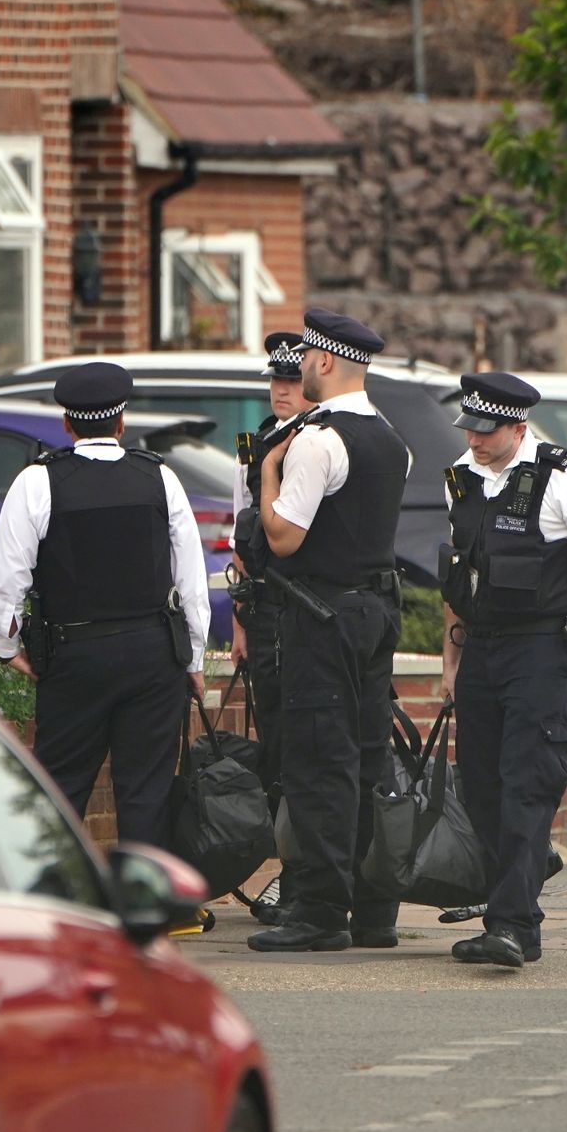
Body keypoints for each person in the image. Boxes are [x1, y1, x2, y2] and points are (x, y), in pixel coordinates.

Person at [441, 373, 567, 969]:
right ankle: (525, 888)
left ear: (517, 426)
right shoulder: (463, 475)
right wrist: (453, 658)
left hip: (540, 651)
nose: (474, 441)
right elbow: (460, 574)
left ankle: (509, 926)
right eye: (470, 429)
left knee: (527, 783)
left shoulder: (566, 477)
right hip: (480, 648)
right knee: (480, 783)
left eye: (486, 431)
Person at [0, 362, 210, 854]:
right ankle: (146, 910)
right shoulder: (160, 478)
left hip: (74, 653)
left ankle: (52, 899)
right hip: (152, 652)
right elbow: (191, 580)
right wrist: (191, 658)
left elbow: (4, 579)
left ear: (67, 422)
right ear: (122, 420)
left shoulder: (37, 482)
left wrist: (7, 645)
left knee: (58, 789)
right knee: (146, 792)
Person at [246, 308, 409, 953]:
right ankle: (375, 910)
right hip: (375, 613)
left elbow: (283, 538)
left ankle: (317, 911)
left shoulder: (315, 440)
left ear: (322, 362)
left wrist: (266, 475)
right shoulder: (392, 438)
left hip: (322, 616)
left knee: (318, 761)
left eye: (305, 364)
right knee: (370, 759)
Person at [230, 332, 307, 925]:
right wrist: (238, 624)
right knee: (275, 742)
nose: (282, 390)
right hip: (263, 612)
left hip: (305, 609)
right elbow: (242, 542)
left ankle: (303, 873)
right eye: (275, 381)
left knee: (305, 747)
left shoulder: (320, 443)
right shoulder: (256, 445)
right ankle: (289, 867)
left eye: (291, 380)